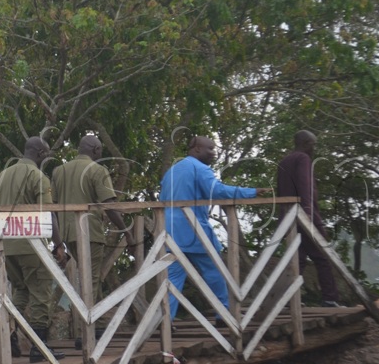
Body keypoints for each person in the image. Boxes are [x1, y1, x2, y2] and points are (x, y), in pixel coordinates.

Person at [159, 136, 272, 321]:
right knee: (215, 271)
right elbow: (218, 191)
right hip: (194, 231)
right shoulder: (200, 168)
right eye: (210, 149)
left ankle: (165, 320)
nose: (214, 153)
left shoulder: (172, 171)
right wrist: (251, 192)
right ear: (196, 149)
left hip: (169, 231)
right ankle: (225, 313)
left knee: (172, 278)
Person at [52, 134, 135, 348]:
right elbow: (109, 205)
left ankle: (95, 329)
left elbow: (53, 208)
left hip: (68, 233)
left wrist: (58, 241)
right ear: (96, 150)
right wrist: (127, 232)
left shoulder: (59, 172)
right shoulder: (98, 171)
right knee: (92, 281)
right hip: (89, 233)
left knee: (90, 278)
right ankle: (85, 334)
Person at [0, 136, 67, 362]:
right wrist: (59, 244)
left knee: (21, 291)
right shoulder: (37, 177)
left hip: (7, 245)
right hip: (30, 244)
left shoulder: (1, 176)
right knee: (41, 292)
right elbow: (48, 212)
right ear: (41, 154)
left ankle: (10, 337)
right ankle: (39, 347)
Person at [276, 130, 340, 307]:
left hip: (288, 216)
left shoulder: (284, 161)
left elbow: (281, 191)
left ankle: (290, 298)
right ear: (305, 143)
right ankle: (330, 298)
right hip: (305, 215)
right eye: (313, 144)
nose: (314, 148)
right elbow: (305, 188)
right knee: (323, 256)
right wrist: (309, 216)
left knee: (298, 258)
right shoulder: (303, 159)